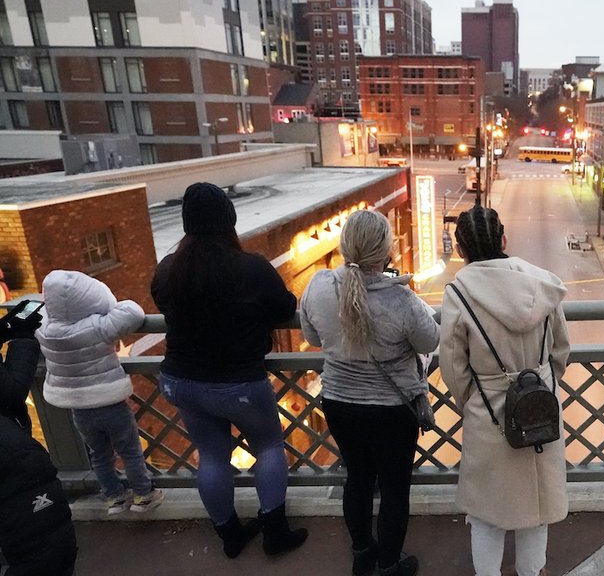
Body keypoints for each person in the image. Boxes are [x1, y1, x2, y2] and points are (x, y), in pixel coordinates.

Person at [151, 182, 307, 559]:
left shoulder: (169, 270)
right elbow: (285, 306)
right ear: (229, 221)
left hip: (182, 381)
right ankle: (275, 533)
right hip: (239, 384)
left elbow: (161, 301)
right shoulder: (251, 267)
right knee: (269, 447)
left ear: (187, 225)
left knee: (211, 455)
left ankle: (230, 534)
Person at [299, 209, 439, 576]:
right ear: (386, 251)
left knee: (357, 478)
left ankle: (362, 553)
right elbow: (431, 339)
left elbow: (313, 337)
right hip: (391, 410)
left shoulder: (319, 286)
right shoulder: (402, 300)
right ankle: (390, 563)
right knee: (394, 489)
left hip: (339, 403)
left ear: (345, 245)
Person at [439, 205, 570, 576]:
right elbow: (561, 348)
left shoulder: (459, 293)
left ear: (461, 249)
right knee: (536, 507)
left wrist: (477, 401)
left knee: (486, 512)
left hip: (489, 411)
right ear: (503, 240)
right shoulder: (543, 283)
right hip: (541, 403)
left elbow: (452, 365)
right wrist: (542, 383)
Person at [37, 270, 164, 515]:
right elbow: (132, 312)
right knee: (129, 450)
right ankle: (143, 494)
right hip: (110, 403)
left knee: (99, 455)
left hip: (79, 409)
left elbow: (40, 314)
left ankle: (113, 497)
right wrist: (105, 304)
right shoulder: (97, 326)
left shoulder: (45, 330)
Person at [0, 300, 78, 575]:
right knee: (45, 553)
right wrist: (22, 340)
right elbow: (8, 394)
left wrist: (6, 329)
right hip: (12, 462)